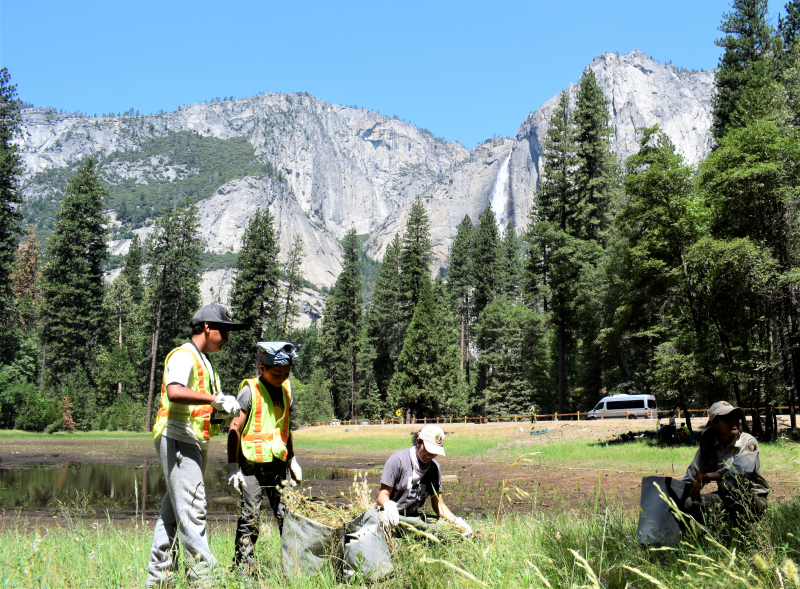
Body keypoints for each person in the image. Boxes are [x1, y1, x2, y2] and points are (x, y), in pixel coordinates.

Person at [147, 304, 246, 587]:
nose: (227, 336)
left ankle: (160, 580)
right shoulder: (184, 355)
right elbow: (175, 391)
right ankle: (204, 580)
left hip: (193, 441)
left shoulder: (204, 360)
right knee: (193, 509)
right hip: (178, 439)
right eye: (224, 330)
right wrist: (214, 400)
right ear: (206, 327)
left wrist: (220, 410)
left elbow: (201, 404)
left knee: (173, 514)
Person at [225, 342, 303, 570]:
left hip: (279, 464)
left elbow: (285, 428)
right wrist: (232, 465)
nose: (281, 377)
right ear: (263, 368)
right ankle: (244, 567)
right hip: (250, 467)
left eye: (286, 373)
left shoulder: (287, 391)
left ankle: (293, 567)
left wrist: (292, 459)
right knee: (251, 516)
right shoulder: (250, 391)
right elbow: (234, 429)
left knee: (288, 515)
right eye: (276, 373)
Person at [682, 401, 769, 525]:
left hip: (754, 498)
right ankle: (716, 535)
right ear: (715, 424)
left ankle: (744, 532)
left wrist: (707, 476)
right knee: (690, 504)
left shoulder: (748, 441)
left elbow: (741, 472)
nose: (734, 421)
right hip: (726, 497)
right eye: (728, 418)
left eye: (737, 418)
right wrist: (678, 491)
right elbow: (690, 477)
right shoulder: (708, 446)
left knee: (728, 485)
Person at [377, 424, 472, 535]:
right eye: (428, 449)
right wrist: (388, 506)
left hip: (413, 518)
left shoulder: (434, 468)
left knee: (444, 529)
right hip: (389, 516)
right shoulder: (397, 460)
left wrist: (456, 521)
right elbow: (383, 495)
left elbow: (439, 505)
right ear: (418, 442)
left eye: (435, 452)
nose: (430, 455)